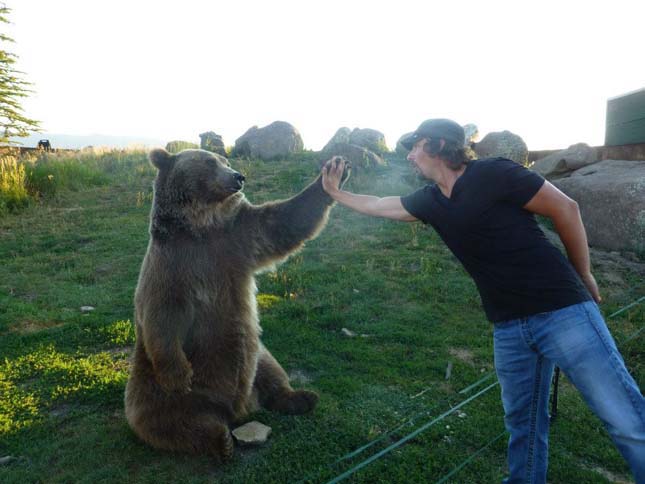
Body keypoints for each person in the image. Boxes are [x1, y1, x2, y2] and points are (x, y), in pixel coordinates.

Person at [320, 118, 645, 484]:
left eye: (414, 146)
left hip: (561, 310)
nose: (409, 156)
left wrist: (582, 274)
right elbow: (381, 204)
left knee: (624, 418)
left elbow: (565, 208)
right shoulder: (431, 201)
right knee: (522, 425)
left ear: (438, 145)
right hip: (508, 327)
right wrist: (336, 193)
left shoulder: (493, 173)